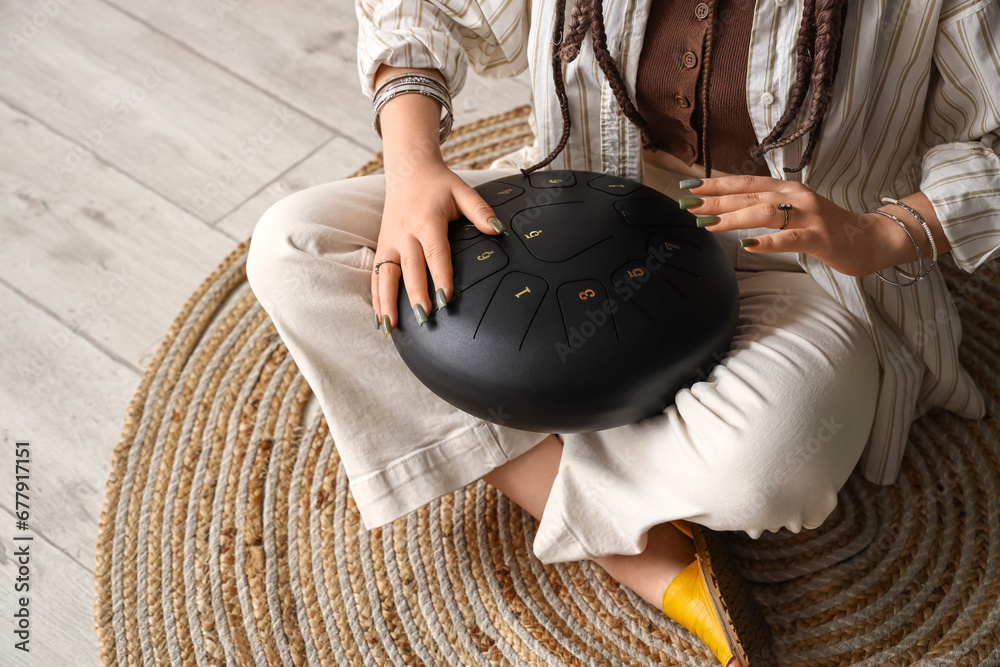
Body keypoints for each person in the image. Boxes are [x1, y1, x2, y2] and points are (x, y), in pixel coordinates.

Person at [246, 0, 1000, 664]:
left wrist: (875, 233)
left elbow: (991, 141)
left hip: (802, 262)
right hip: (581, 203)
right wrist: (412, 167)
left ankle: (502, 429)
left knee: (769, 472)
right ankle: (642, 553)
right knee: (295, 248)